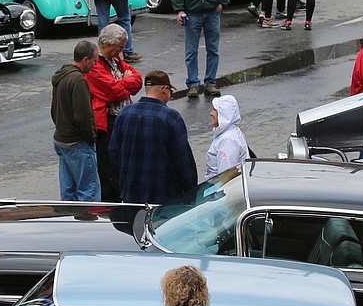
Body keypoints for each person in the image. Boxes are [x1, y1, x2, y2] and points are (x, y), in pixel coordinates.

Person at [107, 71, 198, 202]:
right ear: (165, 89)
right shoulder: (171, 117)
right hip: (163, 197)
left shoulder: (124, 114)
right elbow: (183, 161)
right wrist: (190, 193)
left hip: (130, 194)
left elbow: (113, 154)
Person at [88, 24, 143, 198]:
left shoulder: (115, 59)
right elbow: (112, 91)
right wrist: (124, 81)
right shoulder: (95, 63)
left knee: (122, 163)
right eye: (119, 47)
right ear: (109, 44)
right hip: (108, 122)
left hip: (121, 118)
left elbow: (138, 79)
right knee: (108, 166)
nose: (121, 51)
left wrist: (121, 82)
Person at [50, 38, 99, 201]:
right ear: (85, 59)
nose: (95, 65)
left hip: (61, 141)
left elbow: (53, 111)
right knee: (88, 193)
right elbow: (83, 117)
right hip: (77, 144)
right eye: (94, 61)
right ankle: (87, 226)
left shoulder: (61, 76)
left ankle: (69, 223)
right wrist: (92, 137)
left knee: (68, 192)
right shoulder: (79, 80)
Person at [205, 93, 249, 178]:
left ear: (224, 114)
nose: (211, 113)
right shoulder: (231, 132)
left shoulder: (228, 141)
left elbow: (225, 177)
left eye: (215, 110)